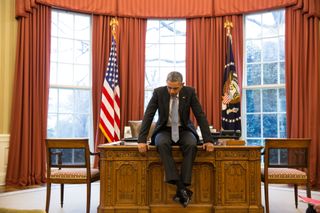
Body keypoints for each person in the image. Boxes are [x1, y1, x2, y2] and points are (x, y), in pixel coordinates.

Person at [137, 71, 214, 208]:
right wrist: (142, 140)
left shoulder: (189, 92)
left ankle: (181, 187)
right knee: (161, 143)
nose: (171, 91)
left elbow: (200, 115)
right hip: (164, 130)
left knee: (192, 144)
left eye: (175, 88)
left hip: (184, 129)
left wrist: (208, 139)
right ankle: (182, 188)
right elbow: (148, 115)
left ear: (182, 85)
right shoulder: (158, 93)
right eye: (169, 87)